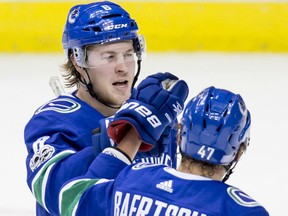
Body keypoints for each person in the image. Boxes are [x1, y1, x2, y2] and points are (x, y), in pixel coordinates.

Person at [24, 1, 188, 215]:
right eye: (109, 56)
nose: (122, 67)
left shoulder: (154, 114)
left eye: (128, 54)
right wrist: (124, 135)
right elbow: (56, 195)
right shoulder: (52, 121)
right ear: (77, 61)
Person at [58, 86, 269, 215]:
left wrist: (132, 136)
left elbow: (71, 199)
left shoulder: (132, 179)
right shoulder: (242, 210)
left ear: (179, 135)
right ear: (239, 152)